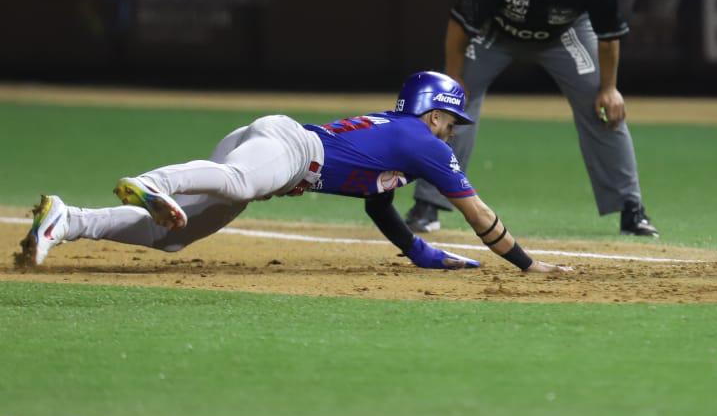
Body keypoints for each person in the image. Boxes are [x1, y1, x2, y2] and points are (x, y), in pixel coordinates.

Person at [18, 72, 566, 275]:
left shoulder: (401, 139)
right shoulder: (422, 141)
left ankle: (67, 221)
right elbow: (478, 213)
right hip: (287, 149)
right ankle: (155, 183)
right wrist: (527, 263)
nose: (452, 129)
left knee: (172, 238)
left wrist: (417, 251)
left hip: (273, 154)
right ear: (434, 110)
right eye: (451, 117)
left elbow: (378, 203)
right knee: (236, 183)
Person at [405, 0, 660, 238]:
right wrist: (455, 80)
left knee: (604, 109)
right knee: (449, 104)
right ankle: (428, 204)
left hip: (564, 35)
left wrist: (609, 88)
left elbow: (609, 40)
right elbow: (460, 27)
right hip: (497, 35)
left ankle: (631, 209)